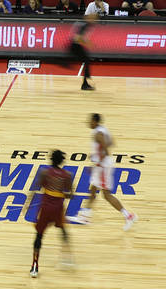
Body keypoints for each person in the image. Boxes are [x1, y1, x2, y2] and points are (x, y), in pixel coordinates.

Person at [70, 114, 137, 230]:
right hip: (104, 164)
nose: (88, 123)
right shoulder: (103, 130)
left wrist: (97, 164)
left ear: (95, 121)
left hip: (102, 166)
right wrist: (96, 154)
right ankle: (85, 215)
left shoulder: (98, 133)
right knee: (93, 188)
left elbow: (105, 150)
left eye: (90, 121)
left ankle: (128, 215)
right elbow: (111, 143)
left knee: (106, 195)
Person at [29, 149, 74, 277]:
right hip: (58, 207)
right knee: (63, 230)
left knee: (39, 236)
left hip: (45, 207)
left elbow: (35, 188)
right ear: (62, 161)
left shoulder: (44, 173)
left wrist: (28, 204)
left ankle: (34, 266)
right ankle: (67, 258)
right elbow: (70, 195)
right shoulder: (67, 175)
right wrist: (59, 192)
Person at [71, 13, 96, 91]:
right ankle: (85, 82)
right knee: (86, 60)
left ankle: (86, 81)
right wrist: (88, 43)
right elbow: (78, 38)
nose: (94, 20)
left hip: (76, 45)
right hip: (75, 46)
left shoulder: (85, 24)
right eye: (93, 18)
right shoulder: (85, 25)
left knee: (87, 60)